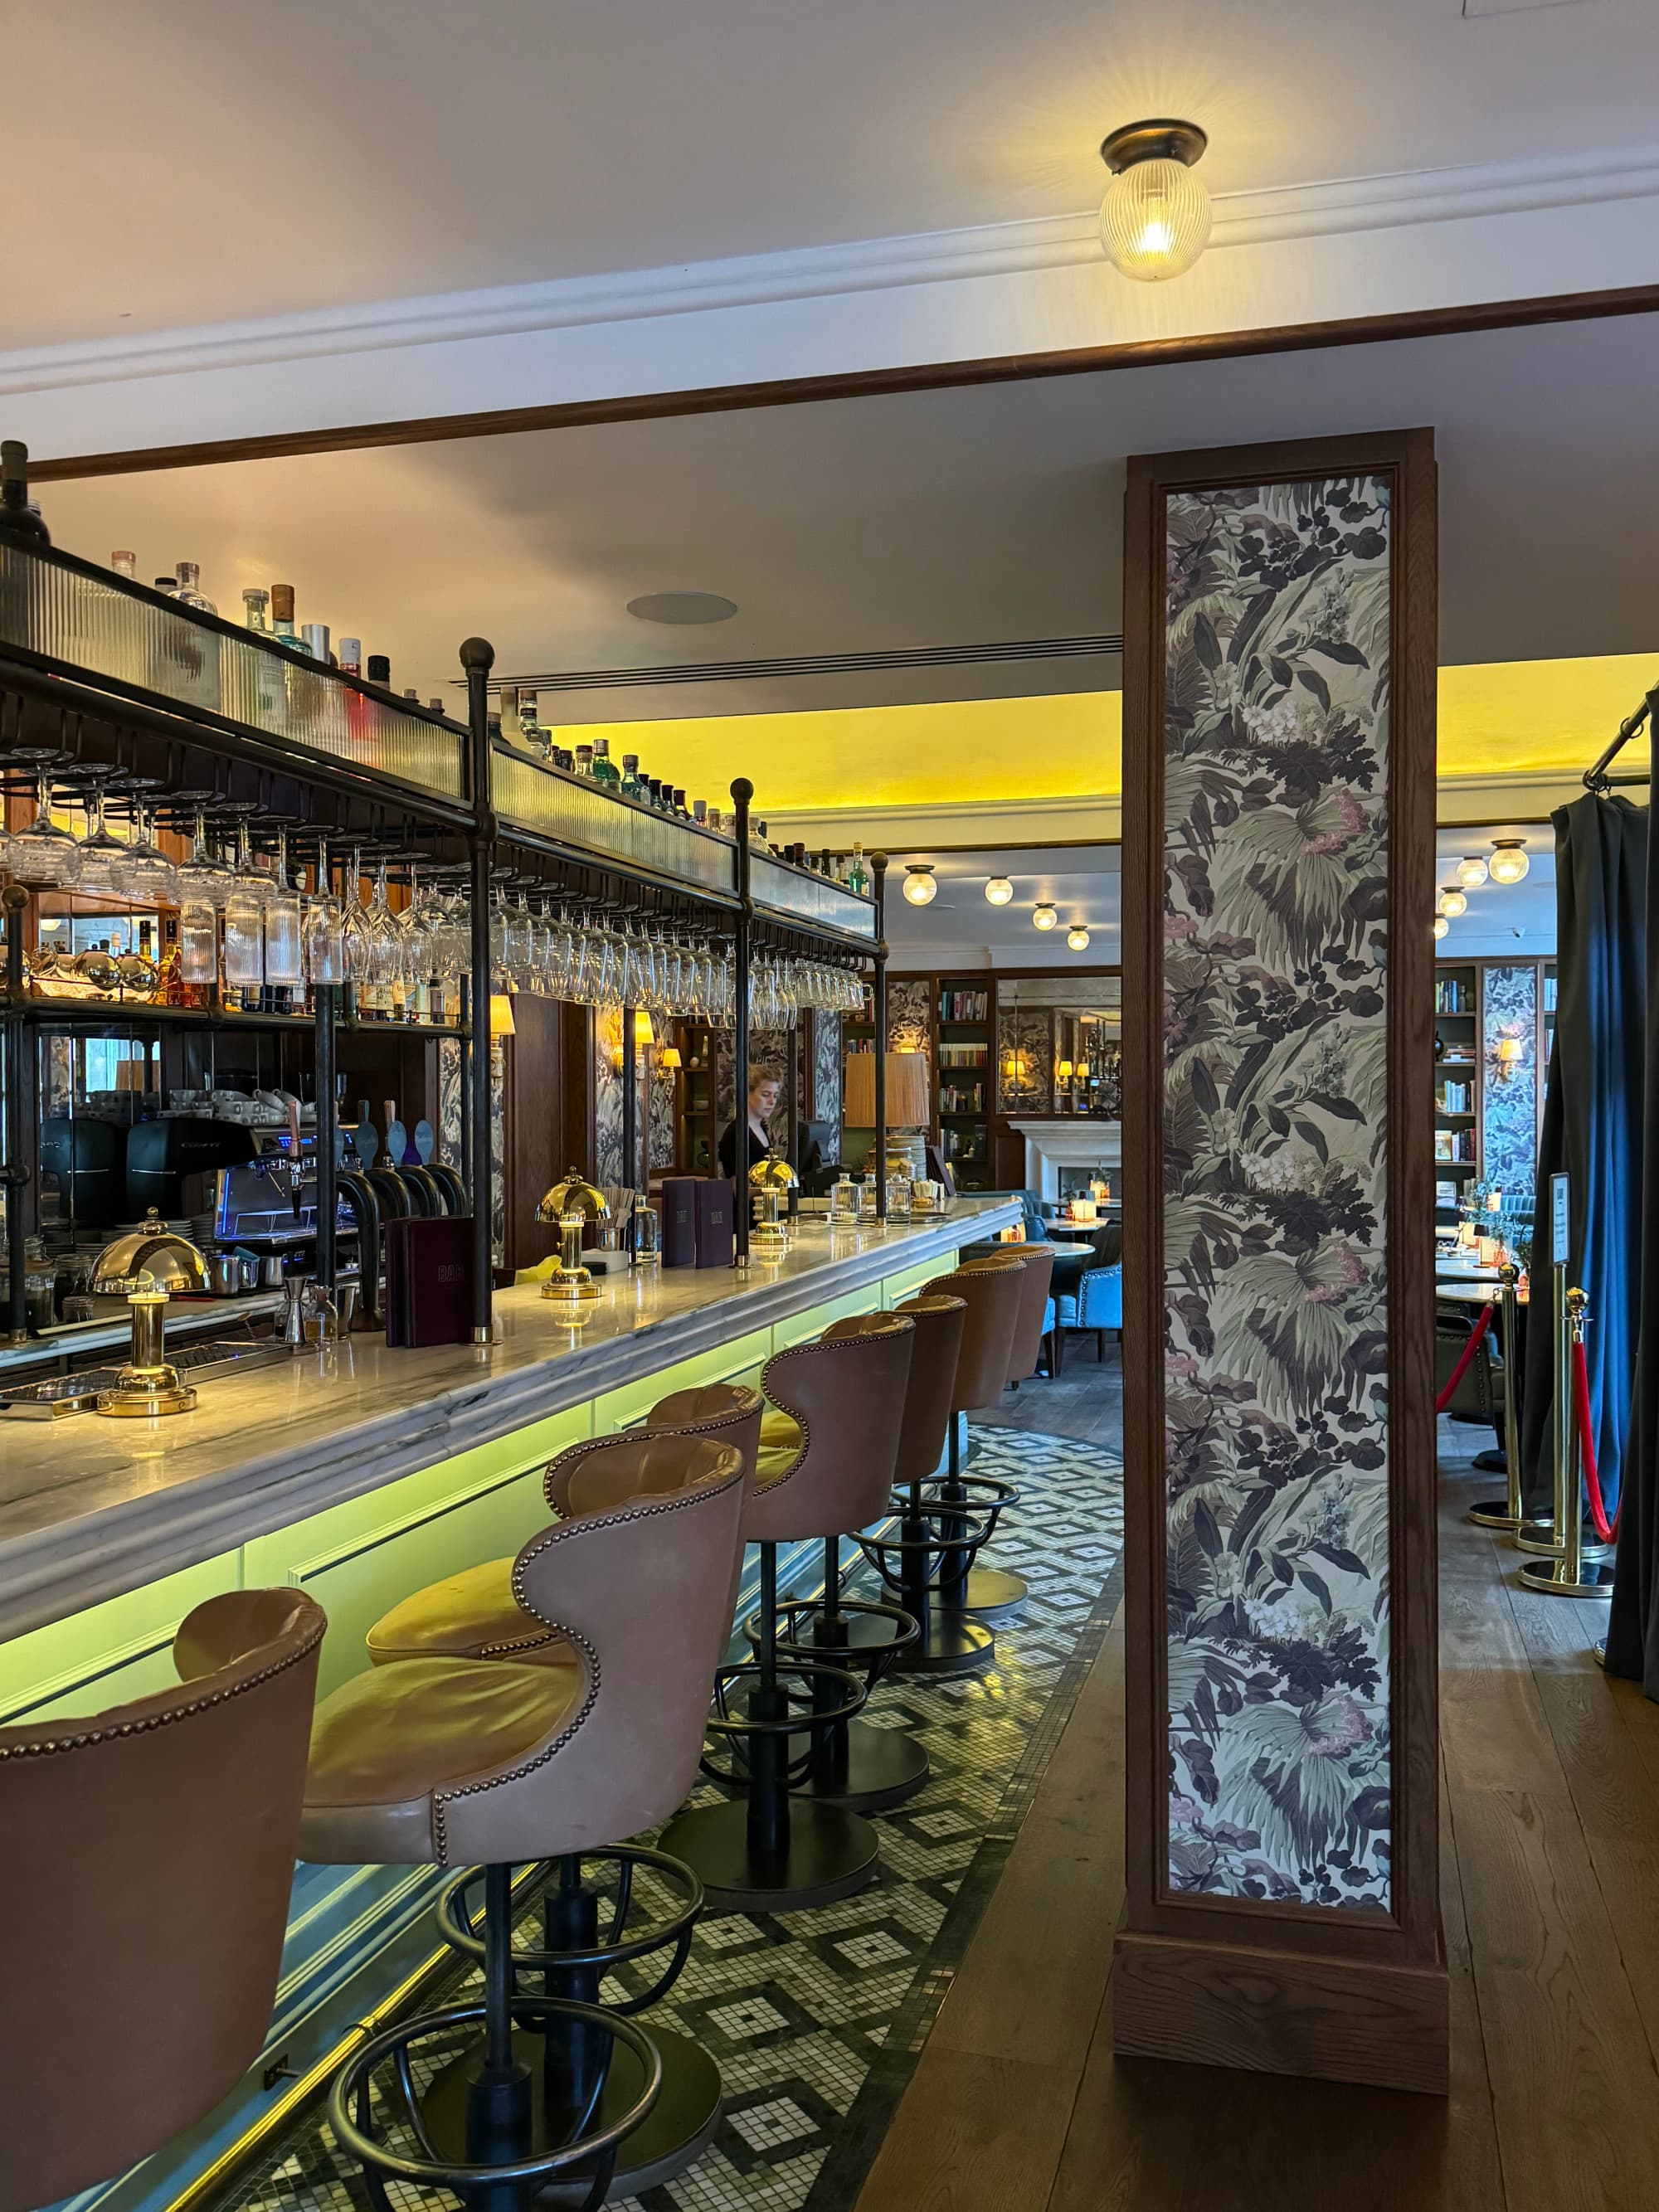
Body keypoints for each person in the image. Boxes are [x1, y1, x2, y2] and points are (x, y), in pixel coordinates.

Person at [719, 1067, 782, 1181]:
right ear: (747, 1094)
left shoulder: (761, 1127)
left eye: (775, 1095)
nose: (772, 1101)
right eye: (766, 1095)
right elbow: (739, 1190)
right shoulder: (736, 1133)